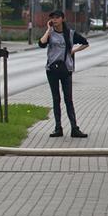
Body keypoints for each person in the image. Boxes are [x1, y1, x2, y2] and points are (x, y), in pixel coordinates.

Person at [38, 10, 89, 138]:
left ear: (63, 19)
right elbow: (41, 44)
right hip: (52, 70)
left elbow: (85, 43)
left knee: (68, 99)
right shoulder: (50, 34)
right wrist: (48, 30)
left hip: (66, 70)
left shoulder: (70, 34)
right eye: (52, 18)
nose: (54, 20)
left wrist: (73, 51)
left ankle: (74, 128)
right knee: (56, 99)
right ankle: (58, 128)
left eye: (57, 18)